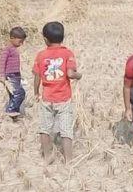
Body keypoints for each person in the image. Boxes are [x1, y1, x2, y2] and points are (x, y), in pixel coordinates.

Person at [33, 22, 82, 164]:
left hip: (46, 98)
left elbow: (37, 76)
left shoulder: (41, 55)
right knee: (66, 131)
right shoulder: (67, 53)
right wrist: (79, 75)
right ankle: (68, 160)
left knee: (44, 129)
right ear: (63, 37)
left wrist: (36, 92)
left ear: (45, 39)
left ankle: (47, 157)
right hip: (63, 99)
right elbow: (70, 74)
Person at [0, 26, 27, 119]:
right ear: (12, 38)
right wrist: (2, 75)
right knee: (19, 93)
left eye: (22, 42)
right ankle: (11, 110)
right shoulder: (7, 49)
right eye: (20, 41)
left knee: (15, 94)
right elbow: (2, 62)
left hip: (16, 75)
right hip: (10, 75)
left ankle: (14, 111)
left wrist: (19, 75)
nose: (21, 44)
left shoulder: (14, 49)